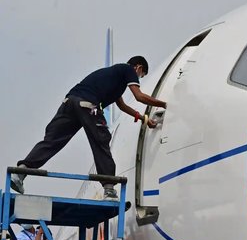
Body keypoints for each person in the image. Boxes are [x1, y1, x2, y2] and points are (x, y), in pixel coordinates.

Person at [11, 56, 167, 200]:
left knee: (52, 141)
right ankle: (109, 188)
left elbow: (122, 106)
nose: (139, 79)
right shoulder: (127, 70)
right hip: (88, 104)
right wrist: (165, 104)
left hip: (69, 103)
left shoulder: (113, 78)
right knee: (101, 139)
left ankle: (21, 172)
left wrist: (144, 119)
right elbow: (139, 96)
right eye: (141, 75)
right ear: (138, 68)